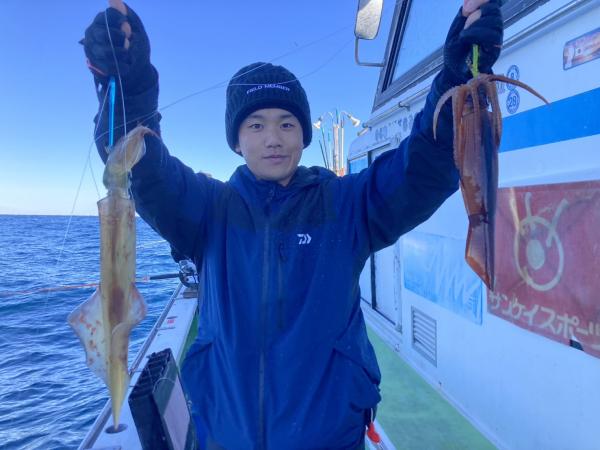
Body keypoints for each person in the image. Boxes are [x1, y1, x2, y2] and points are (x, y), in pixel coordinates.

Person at [82, 1, 503, 448]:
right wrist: (130, 87)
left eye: (286, 124)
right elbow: (143, 168)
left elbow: (421, 169)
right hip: (225, 435)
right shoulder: (208, 209)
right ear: (236, 141)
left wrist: (457, 78)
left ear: (304, 134)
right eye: (256, 125)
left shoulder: (348, 204)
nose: (273, 139)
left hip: (330, 436)